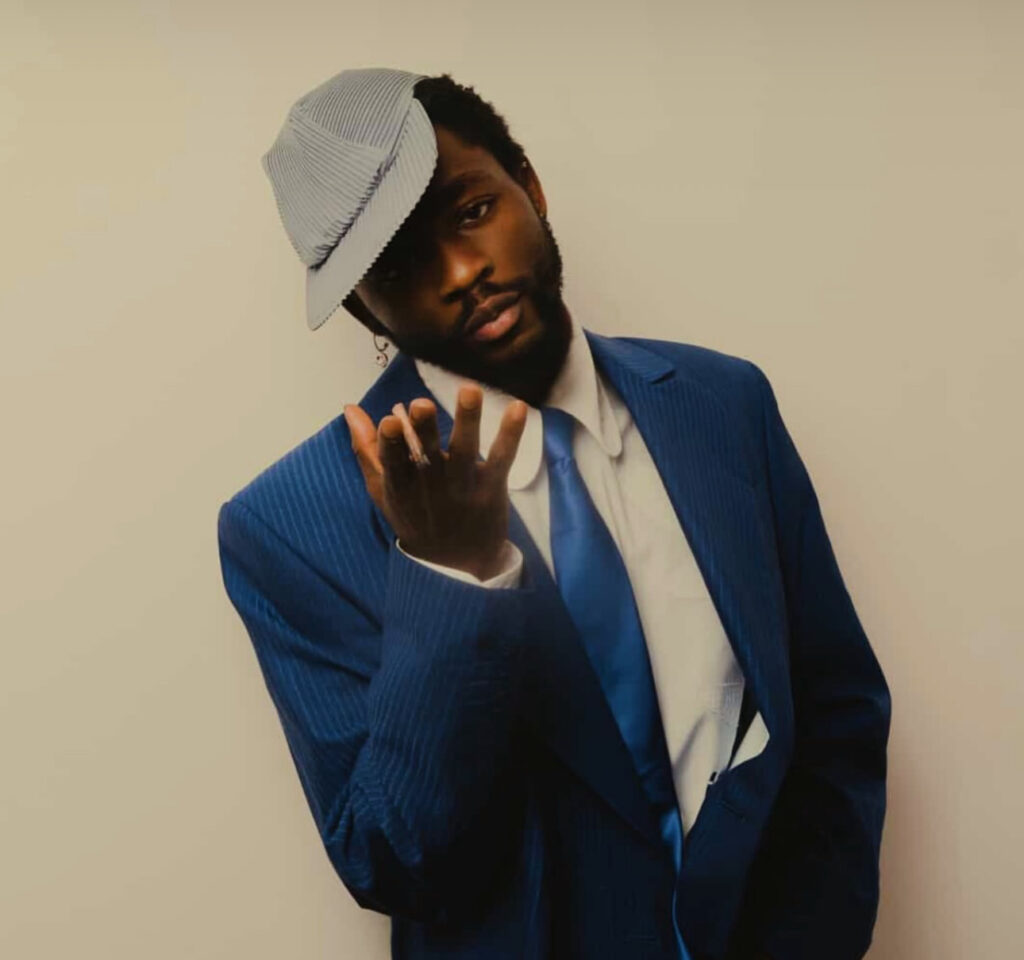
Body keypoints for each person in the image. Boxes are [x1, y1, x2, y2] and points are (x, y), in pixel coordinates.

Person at [217, 67, 891, 960]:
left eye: (471, 211)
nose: (463, 271)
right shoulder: (290, 527)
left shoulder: (722, 404)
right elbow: (393, 862)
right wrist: (449, 579)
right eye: (401, 263)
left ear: (529, 185)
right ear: (359, 305)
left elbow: (835, 710)